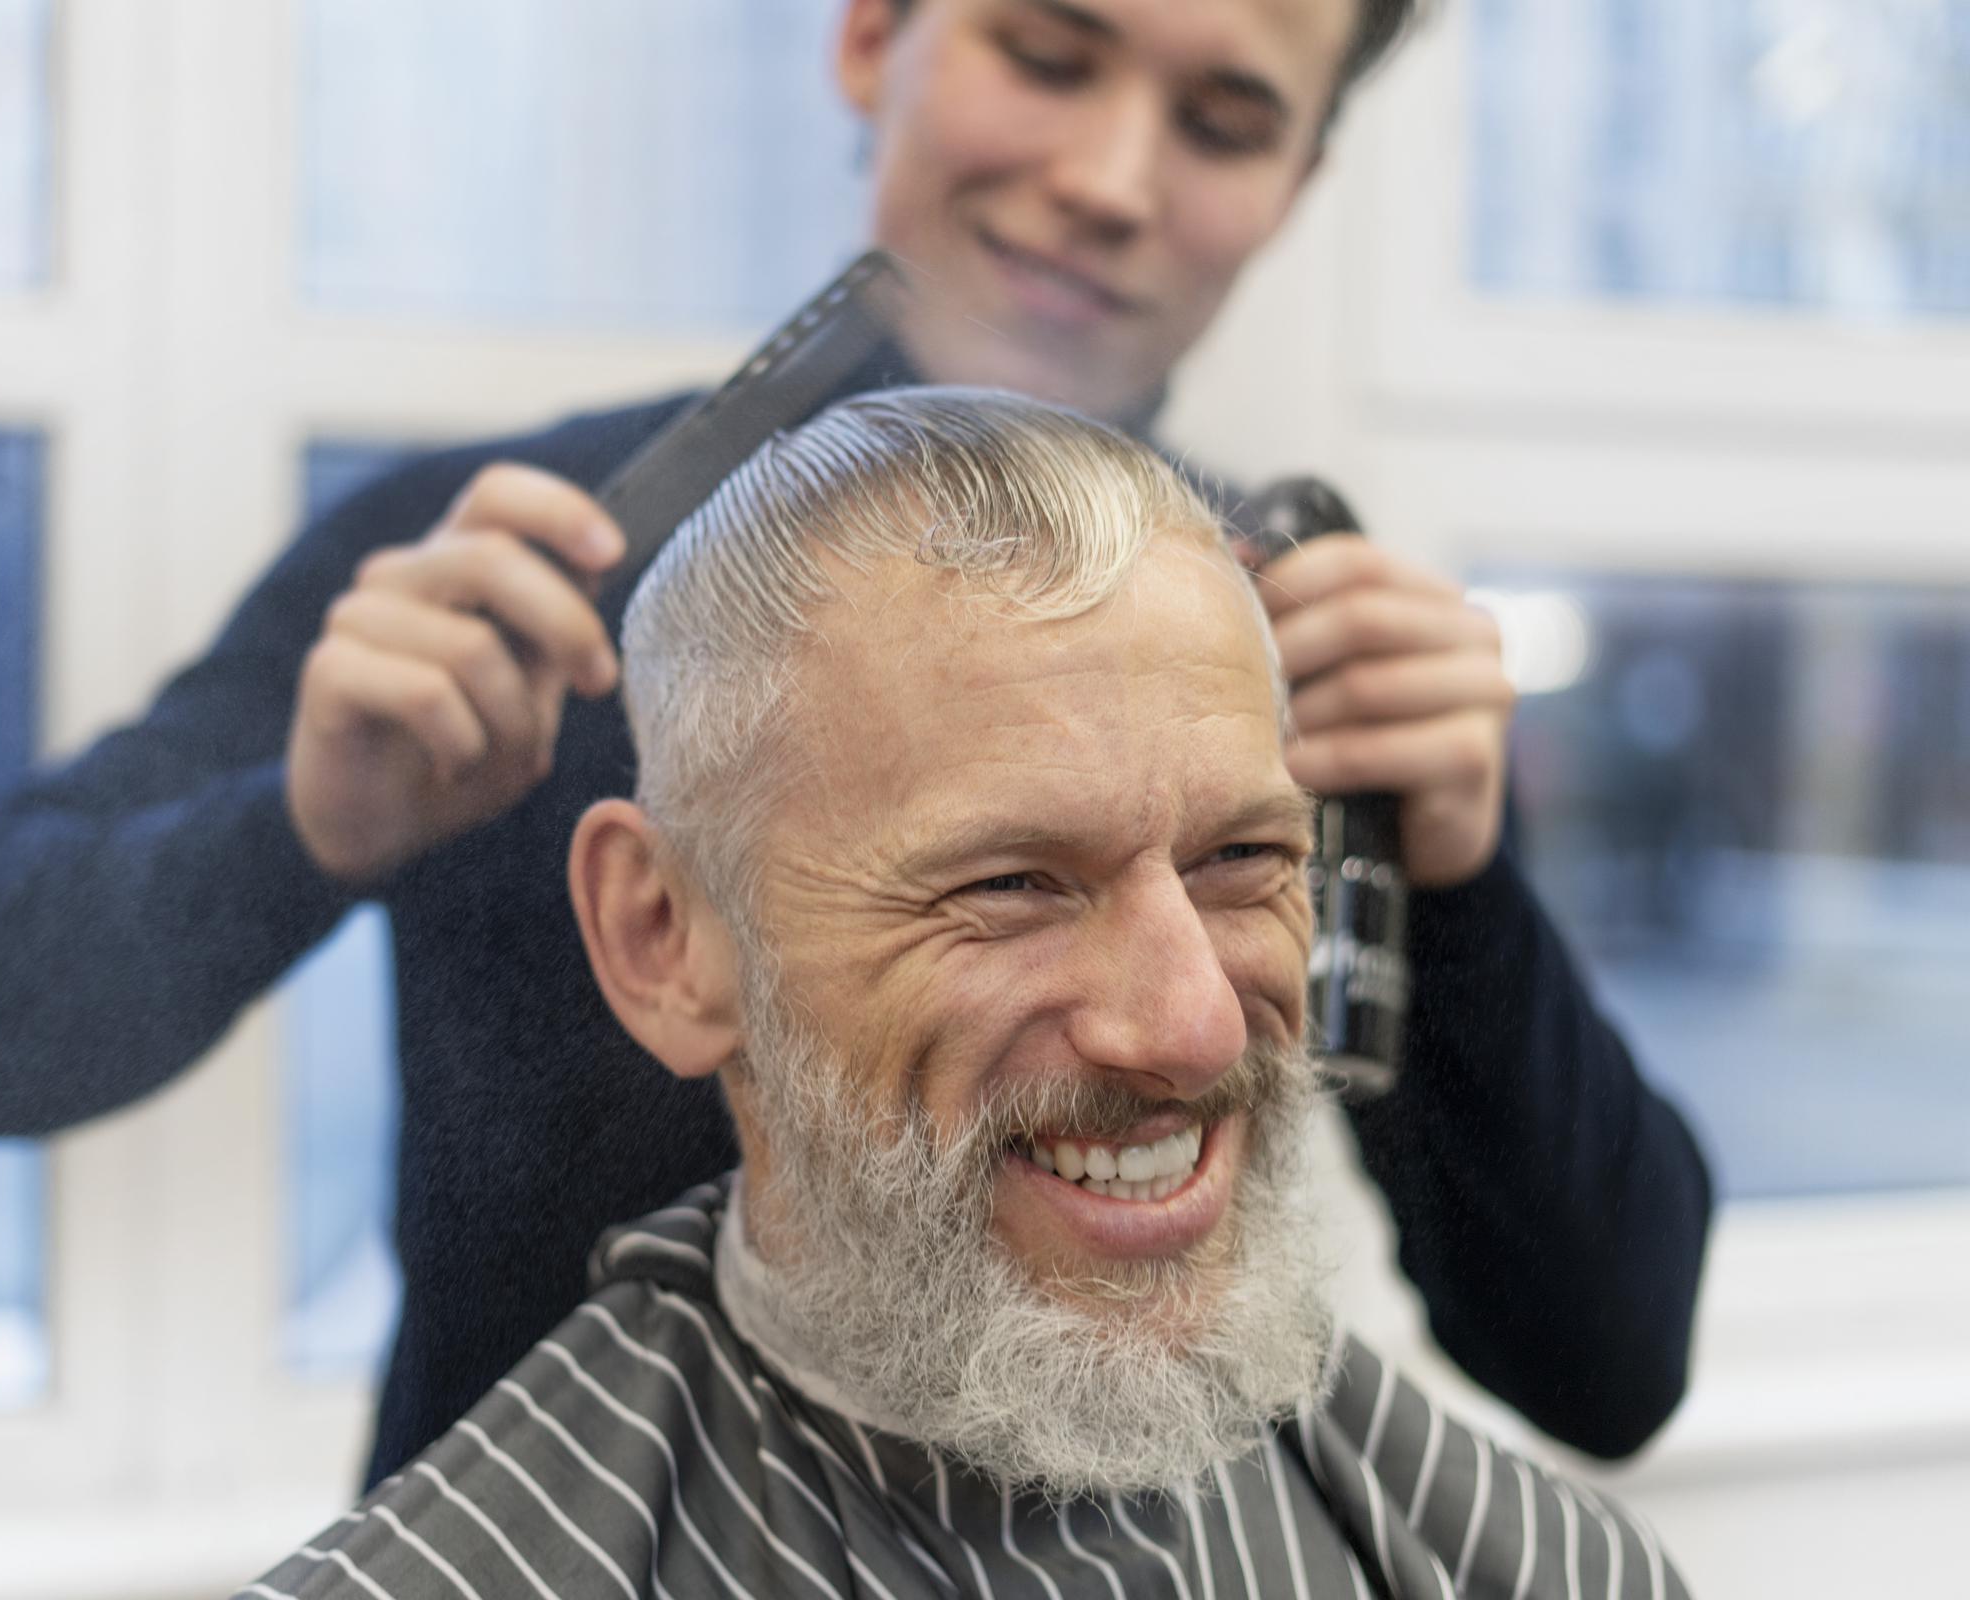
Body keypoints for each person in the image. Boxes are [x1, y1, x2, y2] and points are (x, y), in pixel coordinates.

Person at [0, 0, 1712, 1481]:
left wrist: (1455, 888)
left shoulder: (1282, 648)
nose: (1108, 177)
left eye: (1223, 121)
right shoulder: (509, 572)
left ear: (1301, 178)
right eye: (1045, 52)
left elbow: (1608, 1361)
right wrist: (300, 827)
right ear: (868, 32)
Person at [236, 389, 1691, 1600]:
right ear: (666, 935)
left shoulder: (1528, 1565)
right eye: (1009, 886)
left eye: (1246, 858)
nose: (1190, 1025)